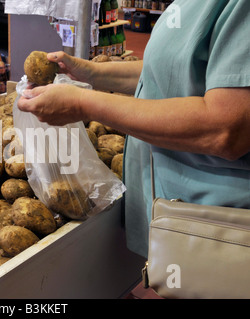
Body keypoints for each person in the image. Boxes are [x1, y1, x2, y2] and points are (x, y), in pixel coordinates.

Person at [17, 0, 250, 257]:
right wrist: (92, 73)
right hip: (177, 213)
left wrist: (84, 103)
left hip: (218, 226)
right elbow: (166, 70)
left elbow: (226, 129)